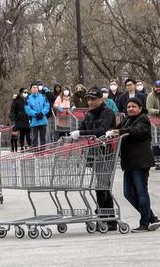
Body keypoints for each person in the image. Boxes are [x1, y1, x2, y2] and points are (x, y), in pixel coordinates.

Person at [106, 97, 160, 233]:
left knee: (141, 192)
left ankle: (144, 223)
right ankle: (152, 218)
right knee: (128, 193)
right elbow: (115, 128)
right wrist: (110, 131)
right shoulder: (126, 120)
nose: (130, 109)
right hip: (129, 162)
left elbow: (136, 131)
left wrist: (119, 132)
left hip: (140, 161)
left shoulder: (143, 119)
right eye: (128, 107)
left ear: (140, 108)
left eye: (133, 106)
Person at [69, 86, 117, 231]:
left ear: (101, 99)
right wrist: (75, 137)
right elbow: (84, 129)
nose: (90, 102)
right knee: (100, 187)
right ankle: (105, 217)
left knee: (103, 186)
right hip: (94, 154)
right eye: (88, 99)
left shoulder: (108, 113)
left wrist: (81, 133)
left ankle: (108, 218)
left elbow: (102, 131)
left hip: (106, 153)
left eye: (93, 99)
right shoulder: (90, 114)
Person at [24, 81, 50, 147]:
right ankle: (35, 152)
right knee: (34, 138)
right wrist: (35, 114)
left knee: (43, 138)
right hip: (34, 121)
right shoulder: (28, 98)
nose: (35, 89)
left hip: (43, 120)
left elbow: (47, 106)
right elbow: (27, 109)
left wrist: (42, 113)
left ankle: (42, 151)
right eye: (33, 87)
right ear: (31, 89)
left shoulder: (43, 96)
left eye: (36, 87)